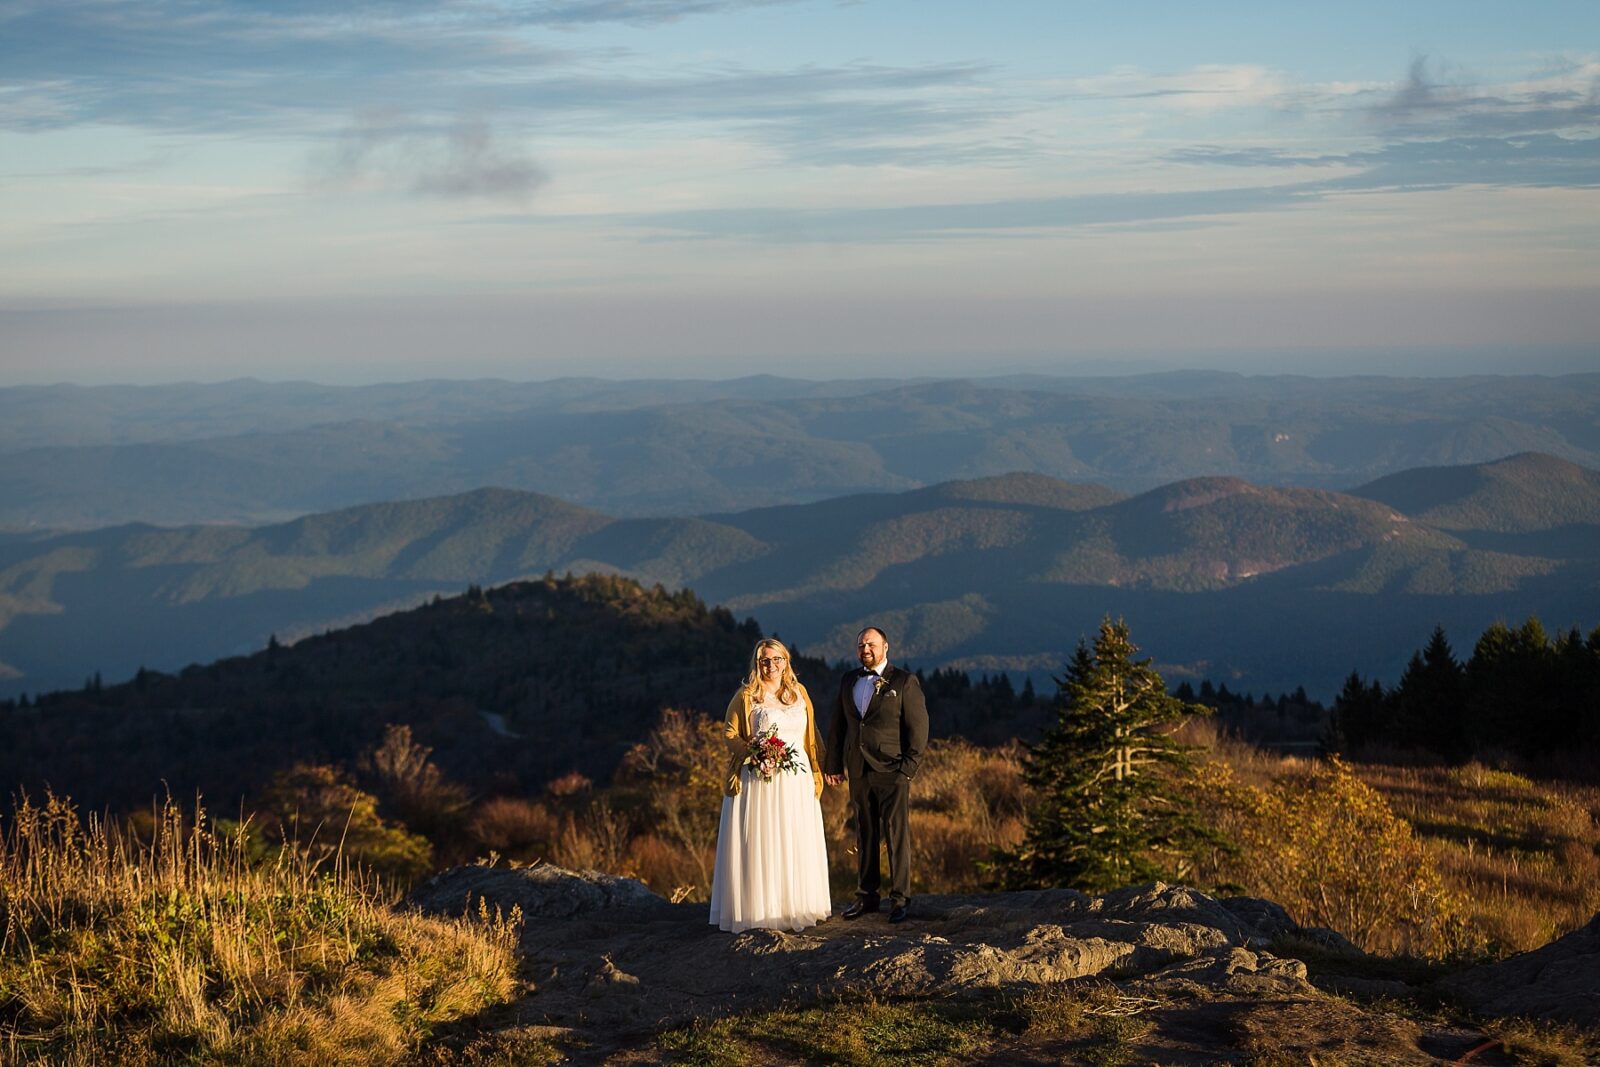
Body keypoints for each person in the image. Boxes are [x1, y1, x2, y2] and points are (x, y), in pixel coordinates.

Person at [708, 637, 832, 933]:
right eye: (765, 660)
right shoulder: (747, 695)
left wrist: (825, 768)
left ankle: (795, 906)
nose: (771, 665)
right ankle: (761, 911)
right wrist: (753, 753)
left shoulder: (799, 693)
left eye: (777, 659)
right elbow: (729, 733)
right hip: (759, 782)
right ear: (757, 663)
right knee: (763, 843)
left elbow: (811, 734)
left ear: (786, 662)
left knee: (793, 840)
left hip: (797, 781)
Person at [824, 626, 928, 924]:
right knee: (864, 832)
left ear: (886, 647)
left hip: (892, 770)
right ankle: (867, 897)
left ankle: (900, 899)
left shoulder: (904, 681)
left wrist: (907, 770)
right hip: (858, 770)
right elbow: (838, 726)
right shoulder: (849, 680)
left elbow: (918, 731)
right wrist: (834, 764)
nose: (865, 649)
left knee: (896, 834)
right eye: (860, 645)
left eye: (870, 644)